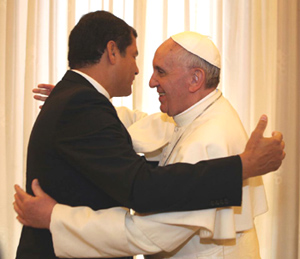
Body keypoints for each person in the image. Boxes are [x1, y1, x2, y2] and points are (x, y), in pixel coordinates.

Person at [14, 28, 284, 259]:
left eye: (161, 72)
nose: (152, 81)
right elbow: (137, 122)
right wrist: (79, 100)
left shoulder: (209, 139)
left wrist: (55, 218)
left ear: (195, 79)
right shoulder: (196, 113)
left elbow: (145, 234)